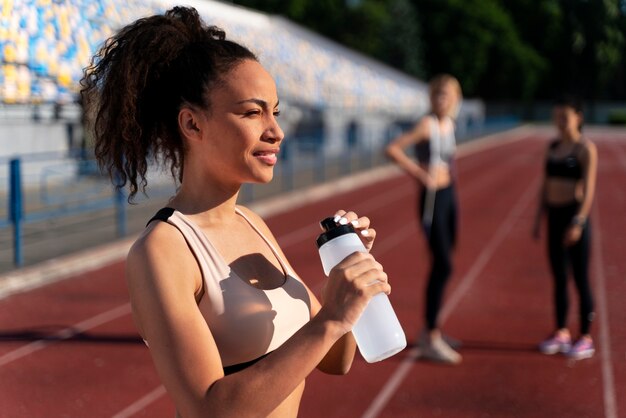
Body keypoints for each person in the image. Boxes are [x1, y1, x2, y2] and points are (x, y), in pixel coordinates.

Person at [81, 7, 391, 417]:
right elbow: (208, 409)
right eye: (252, 112)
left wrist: (351, 279)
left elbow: (337, 359)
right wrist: (330, 318)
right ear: (192, 125)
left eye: (275, 112)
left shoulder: (252, 223)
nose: (275, 131)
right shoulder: (163, 251)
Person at [385, 74, 462, 365]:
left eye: (448, 95)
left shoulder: (449, 124)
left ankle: (433, 329)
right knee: (442, 264)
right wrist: (420, 174)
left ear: (455, 98)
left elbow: (450, 160)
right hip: (432, 200)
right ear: (431, 97)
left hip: (449, 196)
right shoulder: (427, 124)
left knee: (446, 262)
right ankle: (430, 336)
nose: (442, 100)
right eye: (438, 94)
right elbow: (392, 149)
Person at [533, 96, 597, 360]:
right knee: (559, 277)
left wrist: (579, 222)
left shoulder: (585, 149)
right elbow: (545, 185)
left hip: (573, 217)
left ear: (578, 117)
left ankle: (585, 336)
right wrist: (539, 218)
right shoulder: (553, 146)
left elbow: (590, 189)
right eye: (556, 116)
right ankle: (561, 331)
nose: (559, 121)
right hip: (554, 217)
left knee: (580, 278)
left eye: (565, 116)